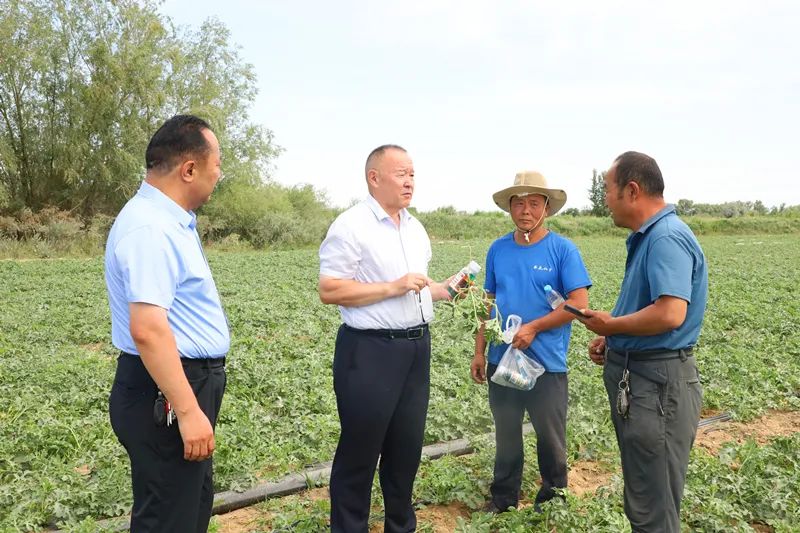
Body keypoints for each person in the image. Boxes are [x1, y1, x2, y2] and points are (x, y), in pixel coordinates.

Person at [318, 144, 452, 533]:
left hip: (415, 348)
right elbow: (330, 289)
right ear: (373, 178)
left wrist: (447, 289)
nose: (409, 181)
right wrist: (392, 287)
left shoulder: (415, 228)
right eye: (401, 174)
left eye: (412, 174)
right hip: (370, 352)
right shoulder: (351, 225)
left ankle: (400, 526)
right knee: (360, 452)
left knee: (406, 448)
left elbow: (418, 288)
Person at [105, 115, 229, 532]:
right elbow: (148, 329)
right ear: (189, 169)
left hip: (178, 385)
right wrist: (188, 411)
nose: (219, 174)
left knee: (187, 509)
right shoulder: (150, 228)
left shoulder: (170, 221)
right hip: (166, 392)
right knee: (168, 519)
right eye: (217, 164)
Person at [578, 151, 708, 532]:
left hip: (658, 388)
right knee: (645, 497)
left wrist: (613, 325)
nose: (605, 199)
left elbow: (670, 313)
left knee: (654, 508)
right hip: (646, 383)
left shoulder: (666, 237)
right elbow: (652, 309)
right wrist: (614, 338)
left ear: (632, 190)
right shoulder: (649, 237)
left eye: (608, 189)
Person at [471, 171, 591, 513]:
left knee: (550, 436)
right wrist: (479, 351)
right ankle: (503, 499)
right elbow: (488, 302)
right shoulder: (499, 249)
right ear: (509, 207)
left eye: (534, 203)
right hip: (501, 358)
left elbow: (579, 303)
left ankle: (552, 501)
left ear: (547, 208)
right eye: (519, 203)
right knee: (506, 433)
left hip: (546, 362)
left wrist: (535, 327)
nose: (526, 210)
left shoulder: (562, 250)